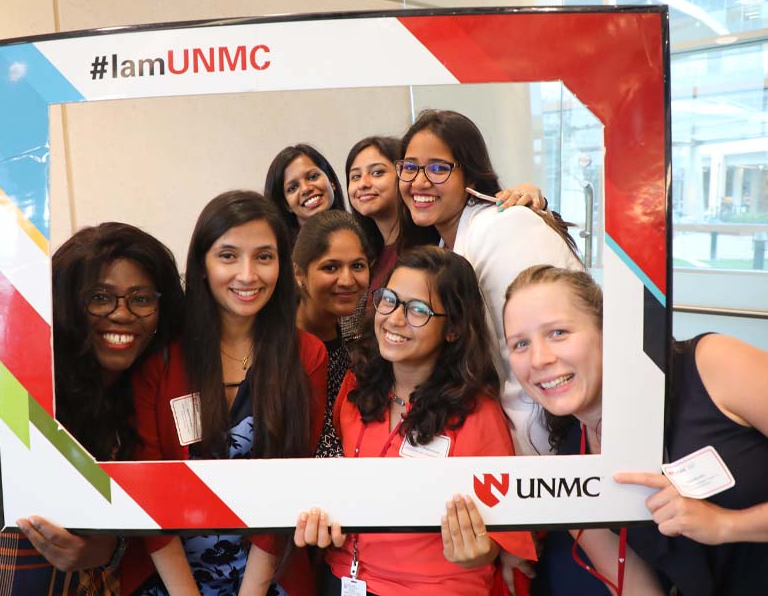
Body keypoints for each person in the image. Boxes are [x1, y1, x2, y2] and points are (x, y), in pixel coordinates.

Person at [0, 222, 185, 595]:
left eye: (141, 299)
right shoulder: (9, 387)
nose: (121, 314)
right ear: (65, 304)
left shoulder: (146, 396)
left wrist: (103, 550)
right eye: (99, 297)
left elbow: (136, 516)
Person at [503, 264, 768, 596]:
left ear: (607, 330)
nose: (539, 359)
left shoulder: (710, 365)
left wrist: (725, 525)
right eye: (520, 344)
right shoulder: (574, 465)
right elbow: (636, 589)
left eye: (558, 333)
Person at [294, 246, 536, 596]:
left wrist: (484, 550)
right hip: (343, 579)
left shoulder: (476, 413)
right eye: (389, 300)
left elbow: (505, 532)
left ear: (452, 328)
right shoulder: (355, 385)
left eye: (418, 310)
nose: (394, 318)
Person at [131, 191, 327, 596]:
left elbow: (289, 484)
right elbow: (145, 491)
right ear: (201, 265)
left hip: (266, 575)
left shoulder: (306, 355)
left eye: (264, 256)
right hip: (171, 573)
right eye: (228, 256)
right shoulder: (160, 358)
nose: (247, 274)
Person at [397, 110, 582, 457]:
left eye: (438, 168)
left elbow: (529, 358)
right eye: (409, 167)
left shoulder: (502, 227)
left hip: (554, 439)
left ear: (469, 173)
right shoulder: (442, 247)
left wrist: (522, 474)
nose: (419, 181)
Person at [346, 135, 547, 297]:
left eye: (377, 172)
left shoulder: (440, 236)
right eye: (355, 176)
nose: (363, 183)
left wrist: (532, 197)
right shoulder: (364, 252)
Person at [292, 210, 372, 458]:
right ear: (300, 274)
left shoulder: (368, 344)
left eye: (357, 266)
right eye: (330, 267)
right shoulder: (277, 349)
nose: (347, 280)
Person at [264, 143, 347, 242]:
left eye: (312, 177)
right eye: (293, 188)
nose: (305, 189)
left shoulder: (361, 234)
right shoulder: (281, 253)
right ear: (286, 204)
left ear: (331, 180)